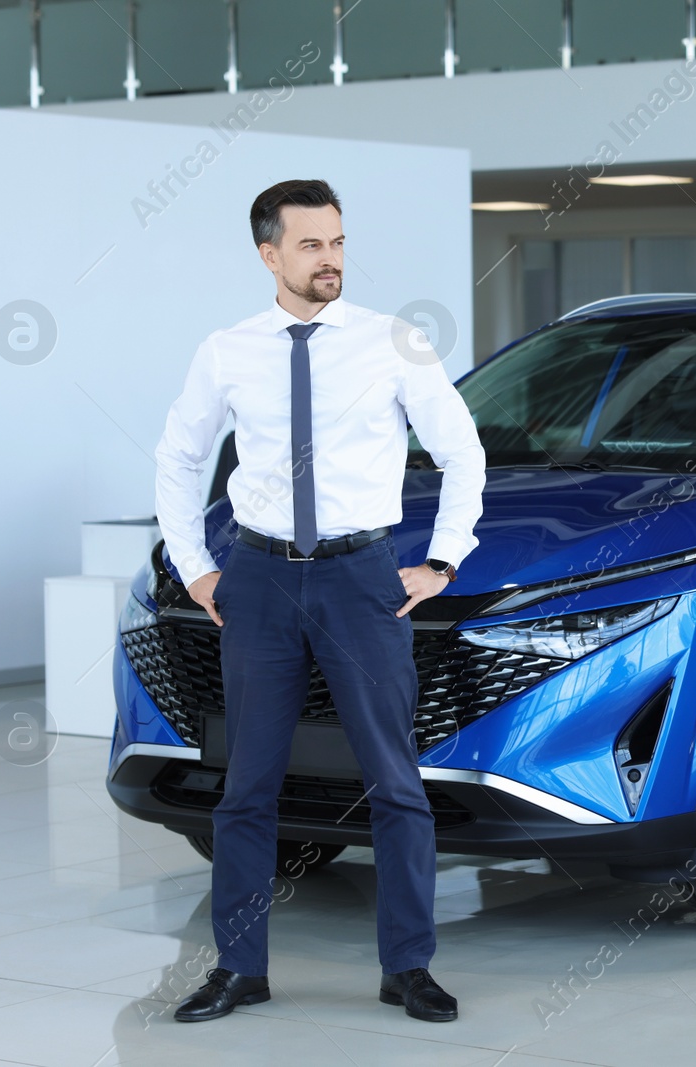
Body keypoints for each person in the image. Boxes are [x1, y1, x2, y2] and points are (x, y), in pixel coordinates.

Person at [153, 178, 485, 1023]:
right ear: (269, 254)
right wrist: (195, 566)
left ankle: (408, 966)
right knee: (246, 787)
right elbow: (179, 457)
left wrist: (443, 559)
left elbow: (463, 451)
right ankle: (239, 967)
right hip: (259, 578)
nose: (329, 259)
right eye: (310, 245)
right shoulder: (228, 349)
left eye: (337, 243)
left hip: (360, 575)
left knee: (395, 781)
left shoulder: (393, 341)